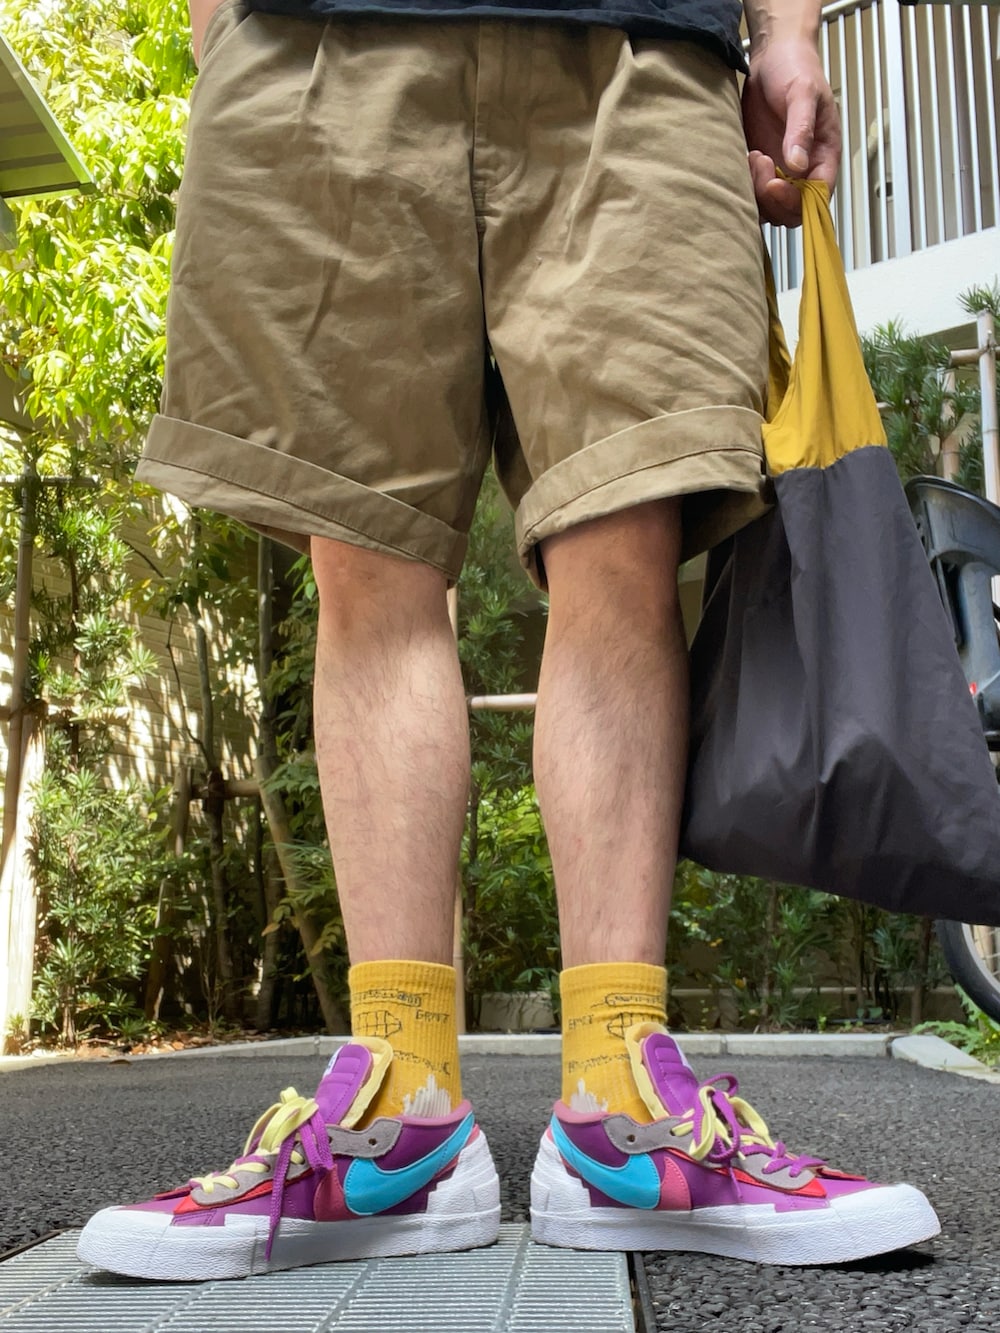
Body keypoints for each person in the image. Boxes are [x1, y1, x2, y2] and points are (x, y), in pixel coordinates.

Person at [77, 0, 940, 1281]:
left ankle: (617, 1111)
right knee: (365, 562)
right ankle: (400, 1120)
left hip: (644, 49)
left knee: (624, 546)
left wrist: (790, 25)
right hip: (315, 42)